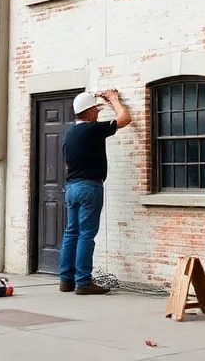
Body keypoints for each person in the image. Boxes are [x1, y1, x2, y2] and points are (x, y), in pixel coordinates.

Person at [59, 89, 131, 294]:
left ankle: (66, 280)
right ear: (89, 112)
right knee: (86, 235)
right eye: (96, 110)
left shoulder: (69, 133)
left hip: (71, 188)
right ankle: (83, 282)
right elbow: (124, 119)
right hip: (89, 187)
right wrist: (114, 100)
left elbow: (66, 164)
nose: (98, 114)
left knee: (71, 233)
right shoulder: (93, 129)